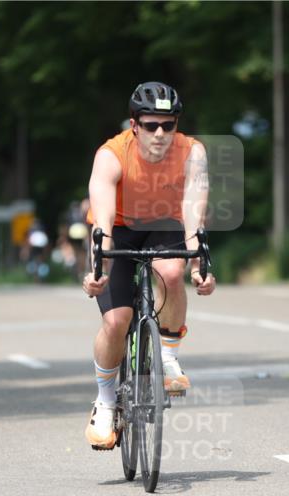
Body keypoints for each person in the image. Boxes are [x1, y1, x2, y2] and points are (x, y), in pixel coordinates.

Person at [81, 81, 216, 450]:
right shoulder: (111, 155)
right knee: (116, 321)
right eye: (151, 125)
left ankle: (168, 357)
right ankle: (105, 401)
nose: (160, 134)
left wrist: (198, 266)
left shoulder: (192, 152)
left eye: (168, 125)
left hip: (164, 223)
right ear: (134, 125)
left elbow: (193, 212)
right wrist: (98, 270)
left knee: (171, 273)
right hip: (119, 228)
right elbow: (103, 223)